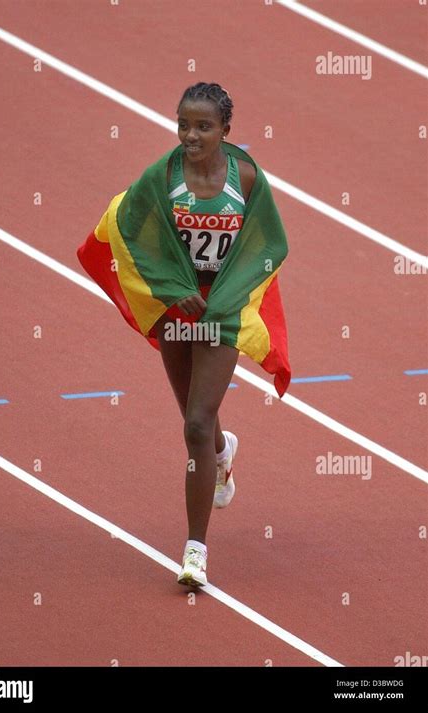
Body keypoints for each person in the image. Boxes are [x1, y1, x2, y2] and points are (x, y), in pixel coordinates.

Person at [77, 82, 291, 589]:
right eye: (183, 125)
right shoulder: (163, 176)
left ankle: (195, 552)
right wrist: (176, 288)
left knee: (195, 423)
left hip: (223, 307)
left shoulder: (246, 178)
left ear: (225, 131)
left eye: (203, 127)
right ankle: (222, 452)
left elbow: (268, 245)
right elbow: (126, 226)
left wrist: (224, 296)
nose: (190, 136)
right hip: (178, 306)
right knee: (195, 417)